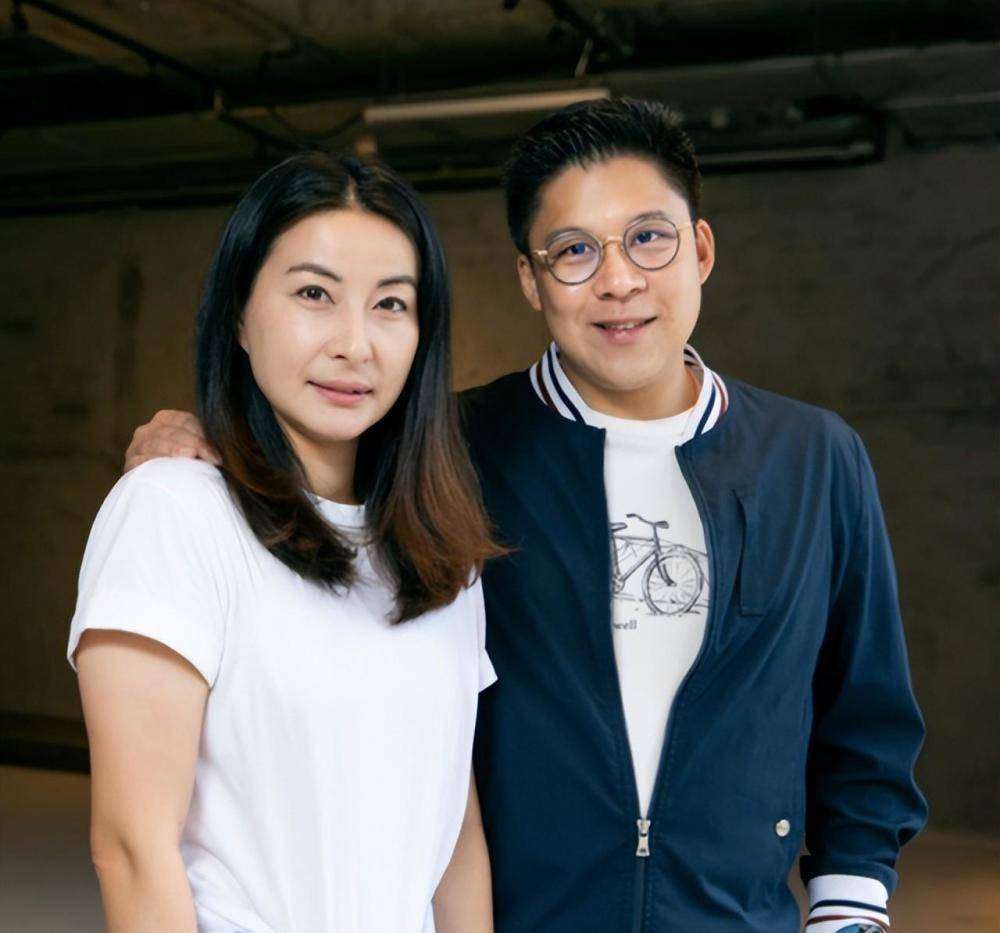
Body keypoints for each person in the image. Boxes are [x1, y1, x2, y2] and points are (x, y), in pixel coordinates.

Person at [124, 99, 927, 932]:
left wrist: (848, 912)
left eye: (648, 238)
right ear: (529, 280)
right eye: (573, 250)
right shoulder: (444, 451)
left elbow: (864, 716)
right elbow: (303, 467)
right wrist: (194, 435)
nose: (618, 280)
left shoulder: (815, 458)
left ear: (700, 249)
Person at [69, 151, 502, 933]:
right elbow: (133, 848)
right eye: (313, 294)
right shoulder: (175, 512)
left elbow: (454, 835)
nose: (355, 344)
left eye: (390, 304)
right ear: (239, 314)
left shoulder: (443, 549)